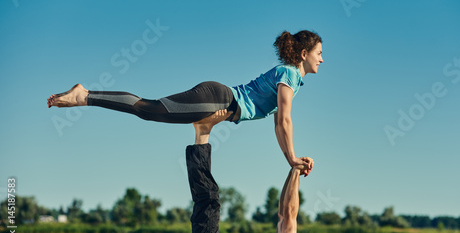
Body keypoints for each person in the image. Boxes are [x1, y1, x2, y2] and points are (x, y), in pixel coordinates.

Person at [47, 30, 323, 169]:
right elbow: (284, 120)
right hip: (219, 98)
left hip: (220, 102)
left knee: (150, 110)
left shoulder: (291, 80)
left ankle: (85, 96)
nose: (321, 58)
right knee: (149, 109)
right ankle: (84, 95)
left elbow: (279, 124)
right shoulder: (288, 74)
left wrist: (291, 157)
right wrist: (291, 158)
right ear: (303, 54)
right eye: (318, 52)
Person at [186, 115, 345, 233]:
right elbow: (283, 213)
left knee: (210, 199)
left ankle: (202, 133)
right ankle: (201, 134)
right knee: (208, 198)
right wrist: (293, 171)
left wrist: (297, 171)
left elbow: (291, 214)